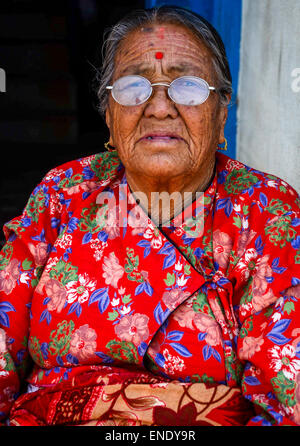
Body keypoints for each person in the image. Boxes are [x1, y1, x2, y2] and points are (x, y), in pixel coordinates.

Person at [0, 6, 299, 427]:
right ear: (108, 113)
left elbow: (289, 402)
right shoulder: (63, 193)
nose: (159, 107)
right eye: (133, 86)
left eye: (189, 86)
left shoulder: (265, 211)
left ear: (221, 112)